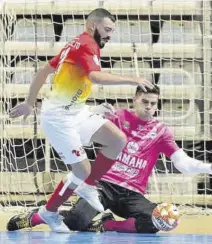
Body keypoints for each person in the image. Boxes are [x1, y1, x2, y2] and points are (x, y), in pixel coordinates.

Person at [7, 85, 212, 233]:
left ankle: (107, 224)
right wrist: (94, 111)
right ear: (135, 100)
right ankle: (37, 217)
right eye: (145, 102)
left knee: (160, 220)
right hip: (103, 186)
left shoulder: (161, 131)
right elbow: (79, 119)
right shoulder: (118, 117)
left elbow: (181, 161)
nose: (149, 107)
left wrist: (209, 168)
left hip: (132, 193)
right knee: (78, 221)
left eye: (153, 103)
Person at [9, 8, 153, 232]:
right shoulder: (87, 44)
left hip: (75, 112)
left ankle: (70, 197)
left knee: (117, 140)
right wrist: (133, 78)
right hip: (58, 119)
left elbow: (44, 70)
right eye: (107, 29)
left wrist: (30, 101)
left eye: (112, 31)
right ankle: (61, 203)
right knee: (82, 171)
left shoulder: (75, 44)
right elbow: (94, 76)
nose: (109, 35)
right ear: (92, 26)